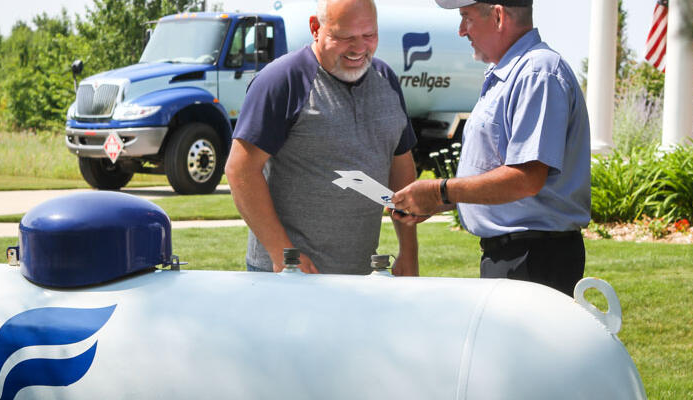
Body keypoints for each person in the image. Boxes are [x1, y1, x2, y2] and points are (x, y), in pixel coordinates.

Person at [392, 0, 590, 294]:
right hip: (519, 257)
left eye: (466, 18)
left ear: (498, 16)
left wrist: (439, 190)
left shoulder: (538, 73)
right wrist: (440, 201)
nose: (461, 31)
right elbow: (502, 173)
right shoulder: (513, 73)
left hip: (533, 259)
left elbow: (527, 178)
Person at [225, 0, 419, 276]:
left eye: (369, 35)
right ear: (315, 28)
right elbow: (240, 169)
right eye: (345, 37)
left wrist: (408, 253)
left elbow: (401, 167)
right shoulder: (282, 81)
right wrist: (283, 254)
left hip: (361, 274)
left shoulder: (385, 79)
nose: (359, 48)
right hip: (289, 277)